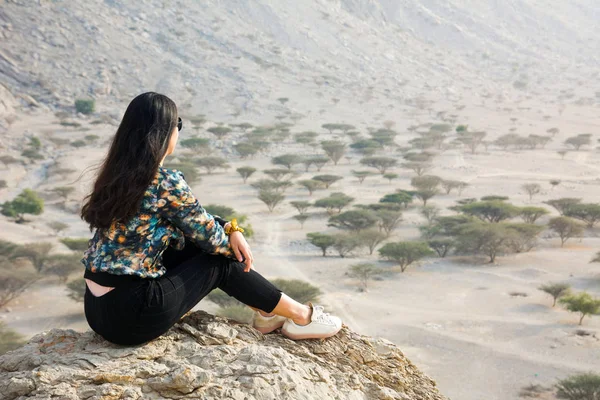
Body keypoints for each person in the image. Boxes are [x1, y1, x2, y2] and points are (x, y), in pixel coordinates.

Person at [79, 92, 342, 346]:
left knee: (191, 245)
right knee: (218, 262)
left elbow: (193, 223)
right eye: (177, 124)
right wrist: (231, 234)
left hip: (98, 311)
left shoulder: (115, 176)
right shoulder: (164, 183)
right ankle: (300, 316)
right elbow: (215, 242)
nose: (178, 130)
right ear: (162, 132)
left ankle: (268, 314)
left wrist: (230, 227)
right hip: (132, 318)